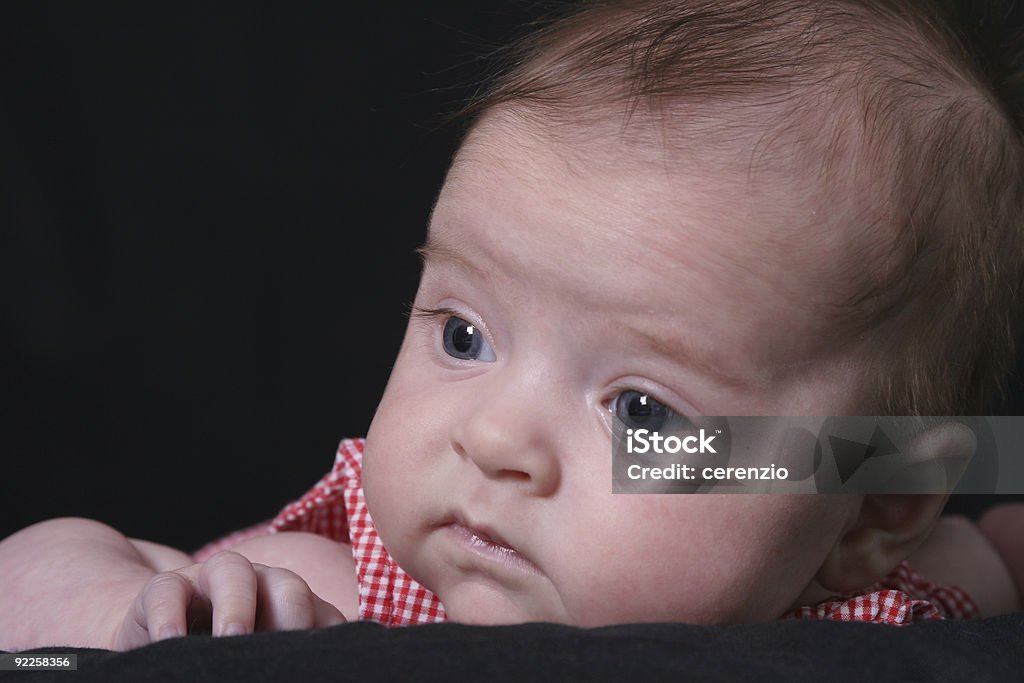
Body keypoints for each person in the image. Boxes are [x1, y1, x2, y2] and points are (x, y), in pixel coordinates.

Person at [2, 0, 1023, 651]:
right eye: (463, 336)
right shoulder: (337, 589)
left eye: (639, 406)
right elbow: (27, 579)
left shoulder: (902, 601)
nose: (493, 441)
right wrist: (134, 612)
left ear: (870, 515)